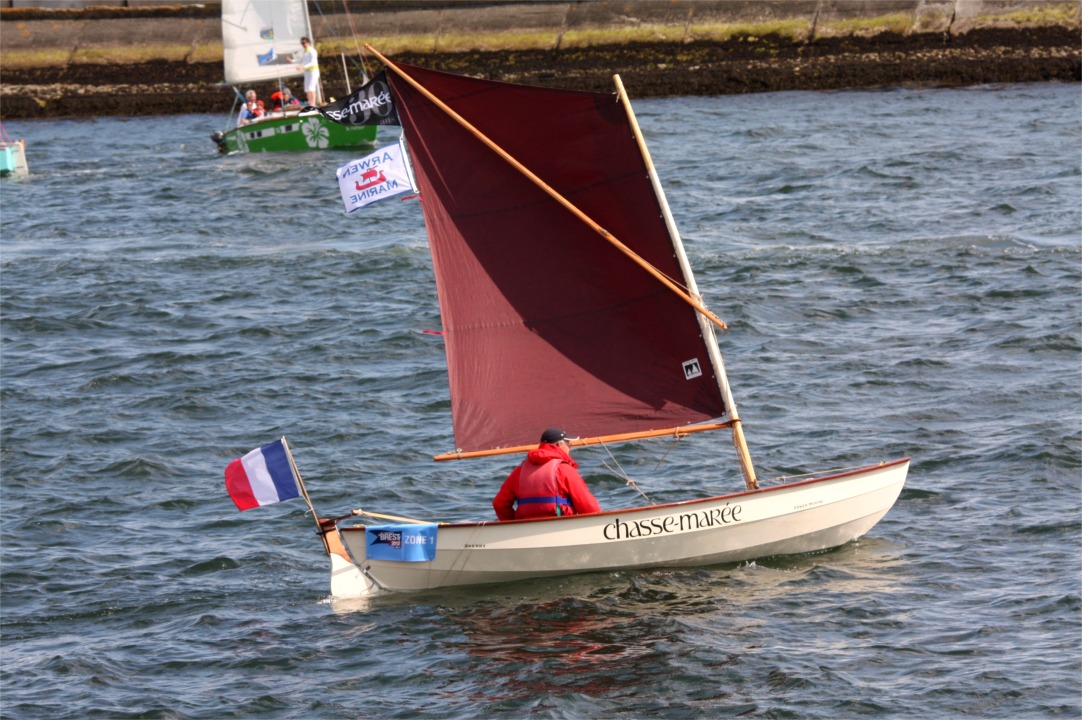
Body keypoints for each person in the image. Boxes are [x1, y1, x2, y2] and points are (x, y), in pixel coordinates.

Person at [492, 427, 601, 521]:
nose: (570, 448)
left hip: (525, 529)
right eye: (569, 444)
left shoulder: (519, 471)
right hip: (559, 527)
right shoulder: (564, 469)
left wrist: (515, 525)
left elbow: (499, 504)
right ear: (559, 444)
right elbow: (588, 507)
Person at [291, 36, 320, 107]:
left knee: (311, 87)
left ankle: (313, 104)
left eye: (304, 43)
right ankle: (310, 104)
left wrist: (303, 67)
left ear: (308, 42)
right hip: (307, 72)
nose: (303, 44)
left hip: (313, 72)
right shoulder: (304, 51)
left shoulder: (312, 51)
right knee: (307, 88)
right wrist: (292, 60)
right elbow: (301, 60)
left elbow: (312, 62)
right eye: (302, 43)